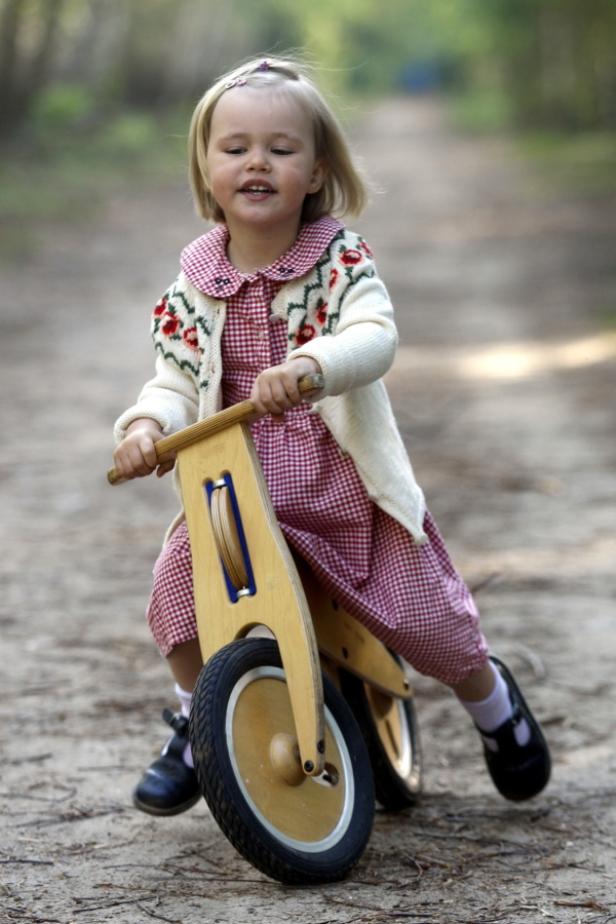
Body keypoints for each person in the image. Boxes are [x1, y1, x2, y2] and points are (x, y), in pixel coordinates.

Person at [112, 55, 550, 816]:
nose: (257, 162)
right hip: (236, 492)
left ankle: (493, 703)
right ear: (206, 167)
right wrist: (149, 424)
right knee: (176, 601)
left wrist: (313, 365)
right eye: (235, 147)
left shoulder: (337, 262)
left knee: (426, 618)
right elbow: (176, 379)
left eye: (281, 149)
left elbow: (375, 335)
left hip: (338, 483)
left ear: (314, 172)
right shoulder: (193, 286)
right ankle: (195, 720)